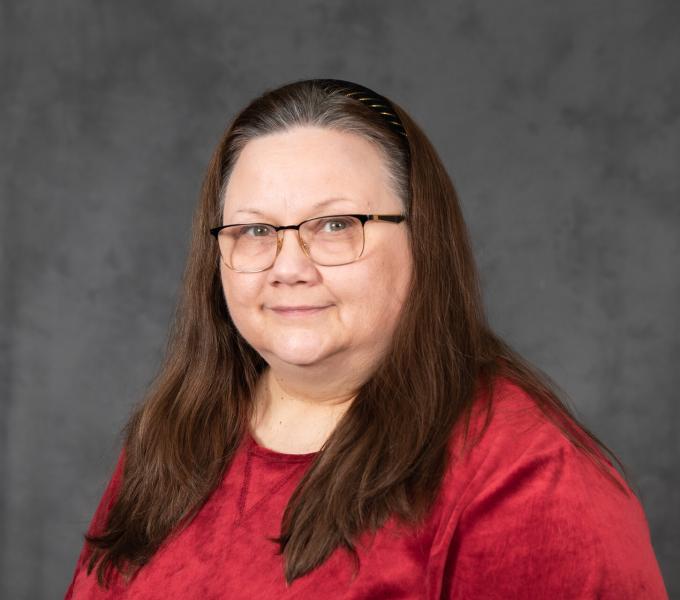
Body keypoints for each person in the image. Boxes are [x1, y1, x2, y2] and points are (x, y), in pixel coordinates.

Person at [64, 78, 668, 599]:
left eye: (334, 225)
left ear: (421, 238)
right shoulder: (176, 434)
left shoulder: (531, 483)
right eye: (254, 230)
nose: (288, 265)